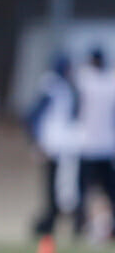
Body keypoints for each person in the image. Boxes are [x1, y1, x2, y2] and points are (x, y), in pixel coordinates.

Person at [25, 53, 83, 238]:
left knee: (63, 192)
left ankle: (49, 226)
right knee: (53, 193)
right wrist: (36, 141)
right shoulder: (51, 88)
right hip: (51, 147)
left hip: (65, 148)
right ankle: (44, 227)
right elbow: (32, 116)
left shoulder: (66, 88)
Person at [74, 46, 115, 243]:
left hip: (88, 146)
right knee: (109, 191)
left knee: (85, 191)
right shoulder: (110, 82)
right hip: (107, 146)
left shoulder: (86, 80)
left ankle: (81, 226)